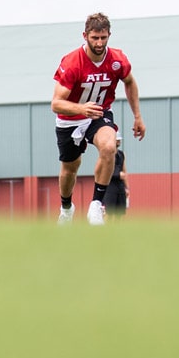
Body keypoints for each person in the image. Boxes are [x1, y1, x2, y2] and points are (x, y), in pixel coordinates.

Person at [51, 12, 144, 226]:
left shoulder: (117, 60)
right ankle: (66, 208)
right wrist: (81, 109)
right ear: (85, 36)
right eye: (95, 38)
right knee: (70, 169)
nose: (99, 42)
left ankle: (96, 205)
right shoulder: (73, 62)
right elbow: (56, 103)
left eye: (103, 37)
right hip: (70, 118)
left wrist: (137, 116)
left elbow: (129, 82)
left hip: (99, 115)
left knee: (109, 146)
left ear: (109, 35)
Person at [103, 137, 129, 217]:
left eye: (119, 139)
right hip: (110, 186)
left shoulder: (121, 154)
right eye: (116, 139)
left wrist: (127, 188)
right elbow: (104, 171)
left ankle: (119, 229)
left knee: (120, 212)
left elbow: (124, 171)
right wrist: (117, 174)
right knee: (109, 212)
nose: (118, 141)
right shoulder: (106, 154)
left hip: (120, 186)